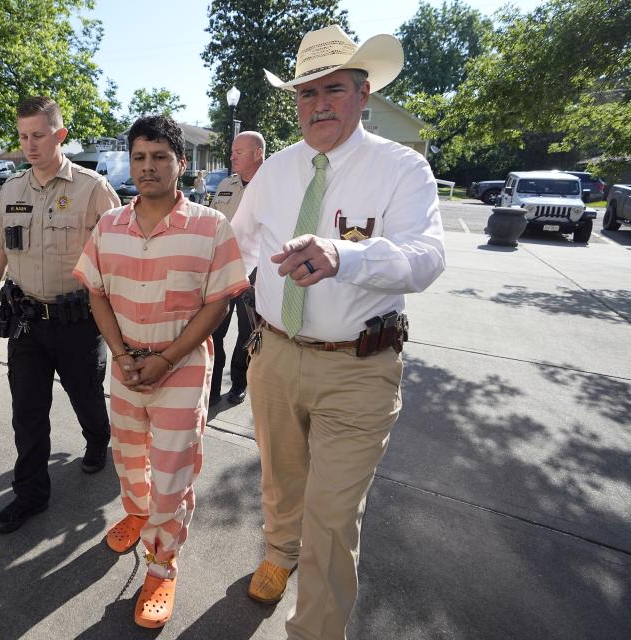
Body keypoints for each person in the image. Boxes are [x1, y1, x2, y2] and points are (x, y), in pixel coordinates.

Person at [230, 26, 446, 639]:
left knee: (331, 517)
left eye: (333, 90)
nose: (318, 104)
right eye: (307, 93)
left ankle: (315, 632)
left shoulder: (402, 169)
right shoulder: (274, 170)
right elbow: (235, 244)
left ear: (363, 94)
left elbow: (427, 257)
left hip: (359, 368)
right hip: (273, 353)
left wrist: (345, 255)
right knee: (280, 478)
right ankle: (277, 552)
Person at [73, 114, 249, 628]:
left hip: (182, 369)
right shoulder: (109, 226)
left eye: (159, 157)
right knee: (128, 458)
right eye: (139, 157)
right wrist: (123, 357)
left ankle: (162, 566)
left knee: (172, 473)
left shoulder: (210, 227)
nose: (147, 168)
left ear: (180, 162)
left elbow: (216, 306)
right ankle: (136, 514)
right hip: (127, 368)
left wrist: (165, 359)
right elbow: (97, 294)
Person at [0, 96, 120, 534]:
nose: (29, 145)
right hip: (27, 322)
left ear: (60, 135)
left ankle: (98, 439)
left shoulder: (93, 189)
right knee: (28, 412)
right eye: (22, 136)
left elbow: (118, 255)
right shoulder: (12, 189)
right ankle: (31, 494)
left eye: (38, 135)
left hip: (78, 321)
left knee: (87, 396)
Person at [208, 131, 265, 406]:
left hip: (256, 271)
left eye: (238, 152)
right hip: (222, 268)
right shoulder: (225, 185)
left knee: (246, 331)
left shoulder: (273, 186)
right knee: (214, 328)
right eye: (232, 151)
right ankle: (211, 387)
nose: (232, 156)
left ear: (257, 153)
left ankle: (239, 382)